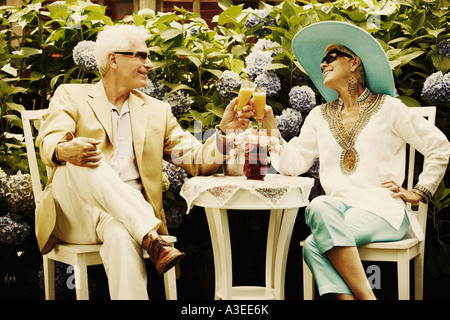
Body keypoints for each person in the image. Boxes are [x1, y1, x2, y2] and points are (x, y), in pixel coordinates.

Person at [36, 24, 252, 300]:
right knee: (88, 159)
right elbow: (50, 139)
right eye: (140, 56)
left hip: (122, 220)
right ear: (113, 59)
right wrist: (65, 150)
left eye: (148, 57)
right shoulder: (71, 95)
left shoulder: (156, 111)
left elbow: (197, 161)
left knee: (119, 234)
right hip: (76, 214)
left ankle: (147, 237)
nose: (149, 64)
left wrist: (225, 133)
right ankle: (152, 238)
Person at [256, 21, 450, 299]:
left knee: (314, 242)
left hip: (384, 211)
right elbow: (291, 165)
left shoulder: (389, 107)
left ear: (355, 62)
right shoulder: (319, 116)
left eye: (331, 57)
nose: (323, 64)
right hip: (337, 212)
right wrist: (269, 125)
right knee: (319, 210)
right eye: (322, 61)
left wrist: (419, 192)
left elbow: (438, 145)